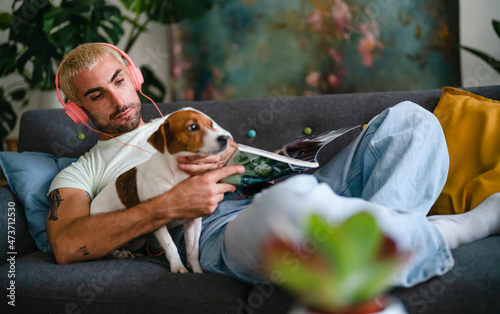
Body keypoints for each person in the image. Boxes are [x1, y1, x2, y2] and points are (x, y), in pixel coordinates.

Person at [47, 43, 500, 288]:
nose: (118, 99)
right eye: (96, 95)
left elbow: (236, 162)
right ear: (77, 112)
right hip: (220, 227)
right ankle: (454, 230)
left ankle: (369, 252)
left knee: (411, 122)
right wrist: (170, 204)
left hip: (292, 186)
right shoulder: (80, 172)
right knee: (286, 212)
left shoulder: (188, 122)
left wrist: (273, 163)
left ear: (134, 75)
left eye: (119, 80)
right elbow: (67, 245)